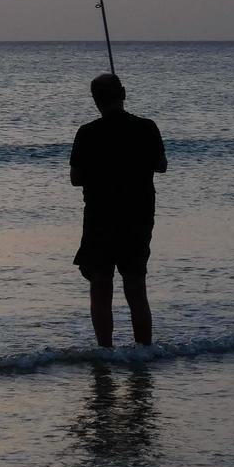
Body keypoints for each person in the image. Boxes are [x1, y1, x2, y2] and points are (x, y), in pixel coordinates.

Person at [70, 73, 166, 347]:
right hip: (138, 218)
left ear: (95, 100)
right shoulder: (146, 127)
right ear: (123, 93)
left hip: (100, 219)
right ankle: (143, 352)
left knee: (100, 288)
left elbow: (76, 178)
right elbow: (161, 165)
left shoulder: (87, 133)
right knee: (136, 288)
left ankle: (105, 352)